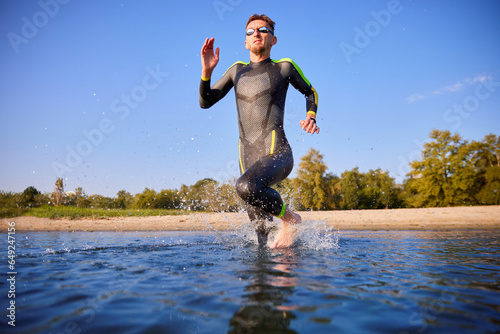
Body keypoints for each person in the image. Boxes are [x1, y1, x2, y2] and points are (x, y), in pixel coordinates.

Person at [199, 14, 319, 248]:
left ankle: (291, 219)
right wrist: (206, 72)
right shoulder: (236, 71)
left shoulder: (284, 67)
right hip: (248, 158)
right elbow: (205, 102)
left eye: (263, 30)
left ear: (273, 40)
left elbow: (310, 92)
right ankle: (281, 261)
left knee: (245, 186)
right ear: (245, 42)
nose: (256, 34)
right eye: (250, 31)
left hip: (278, 153)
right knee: (261, 236)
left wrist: (311, 116)